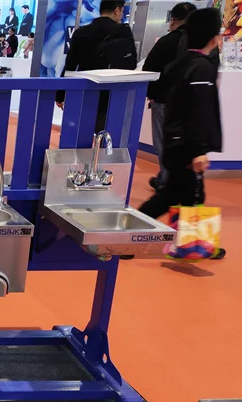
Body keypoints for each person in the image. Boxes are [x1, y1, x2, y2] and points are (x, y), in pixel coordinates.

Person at [138, 8, 225, 259]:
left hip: (175, 141)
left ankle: (194, 243)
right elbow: (198, 112)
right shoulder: (201, 69)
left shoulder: (183, 63)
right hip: (186, 145)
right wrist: (198, 150)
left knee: (187, 194)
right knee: (172, 196)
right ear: (213, 38)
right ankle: (128, 235)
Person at [56, 0, 136, 130]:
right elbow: (130, 64)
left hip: (85, 91)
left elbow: (70, 65)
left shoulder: (81, 32)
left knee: (81, 131)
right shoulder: (122, 31)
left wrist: (60, 94)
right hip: (112, 92)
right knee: (107, 133)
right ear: (117, 10)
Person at [143, 2, 198, 190]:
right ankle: (168, 178)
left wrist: (151, 94)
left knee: (163, 143)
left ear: (173, 20)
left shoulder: (167, 41)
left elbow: (149, 69)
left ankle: (167, 183)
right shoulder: (203, 43)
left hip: (165, 99)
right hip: (192, 102)